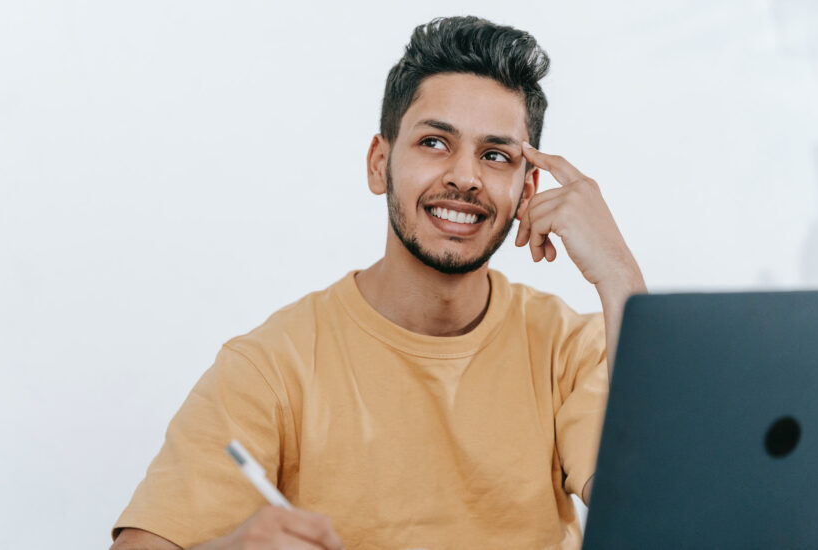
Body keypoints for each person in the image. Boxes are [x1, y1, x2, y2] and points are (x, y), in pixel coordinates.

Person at [111, 15, 646, 550]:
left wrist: (618, 274)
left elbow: (665, 512)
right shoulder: (271, 367)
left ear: (527, 190)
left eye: (495, 155)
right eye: (435, 142)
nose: (465, 176)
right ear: (379, 163)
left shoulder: (574, 351)